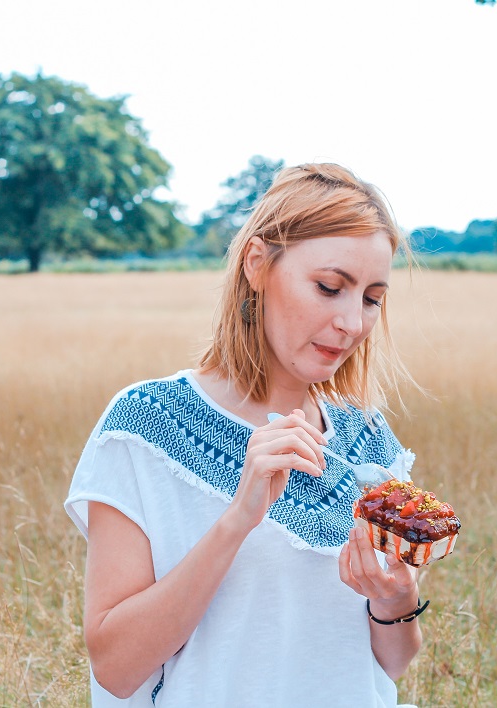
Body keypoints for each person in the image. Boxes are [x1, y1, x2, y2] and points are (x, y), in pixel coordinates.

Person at [65, 163, 425, 707]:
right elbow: (116, 668)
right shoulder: (145, 425)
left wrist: (396, 599)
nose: (353, 323)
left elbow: (390, 663)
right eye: (329, 287)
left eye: (372, 298)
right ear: (257, 263)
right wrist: (238, 518)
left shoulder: (369, 440)